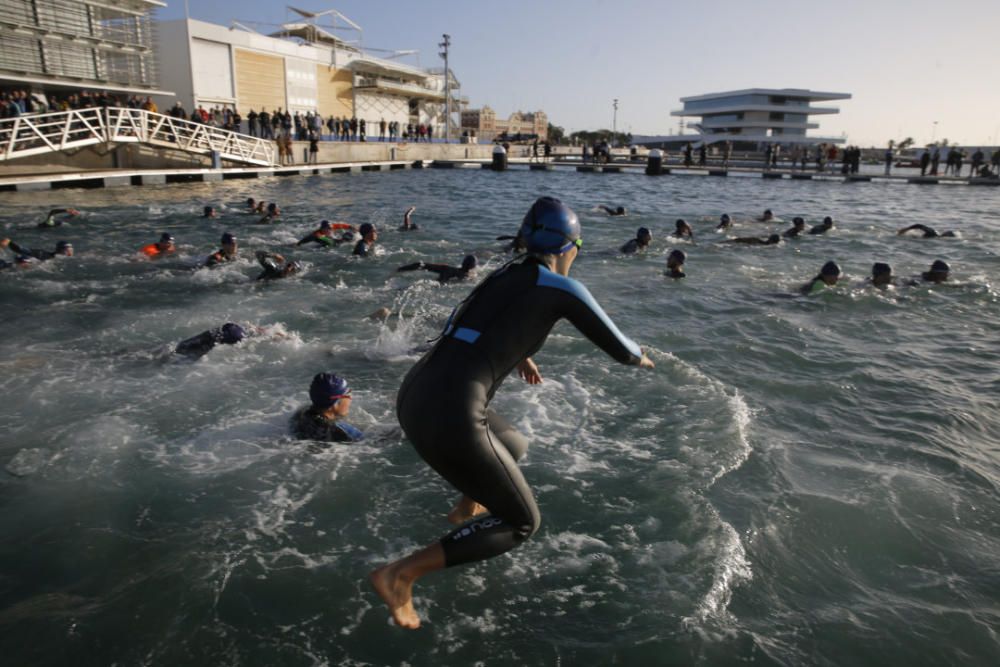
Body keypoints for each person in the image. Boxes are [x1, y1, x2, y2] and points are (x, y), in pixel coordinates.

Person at [370, 196, 654, 629]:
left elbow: (467, 319)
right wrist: (644, 358)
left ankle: (468, 507)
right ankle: (400, 576)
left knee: (513, 443)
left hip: (416, 393)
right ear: (569, 247)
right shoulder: (563, 287)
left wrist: (519, 353)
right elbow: (623, 350)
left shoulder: (505, 273)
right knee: (522, 522)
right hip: (452, 411)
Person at [291, 372, 364, 443]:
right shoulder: (346, 433)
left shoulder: (300, 414)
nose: (350, 398)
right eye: (349, 394)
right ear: (336, 402)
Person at [175, 323, 246, 360]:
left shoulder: (234, 328)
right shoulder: (237, 334)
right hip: (192, 348)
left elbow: (225, 326)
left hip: (209, 338)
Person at [397, 255, 477, 284]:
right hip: (439, 287)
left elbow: (421, 265)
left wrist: (400, 269)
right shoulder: (468, 277)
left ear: (463, 263)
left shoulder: (448, 269)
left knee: (420, 264)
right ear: (473, 267)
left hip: (434, 283)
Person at [1, 238, 73, 261]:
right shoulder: (43, 255)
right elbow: (21, 250)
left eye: (71, 250)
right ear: (61, 250)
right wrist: (9, 242)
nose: (71, 252)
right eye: (68, 249)